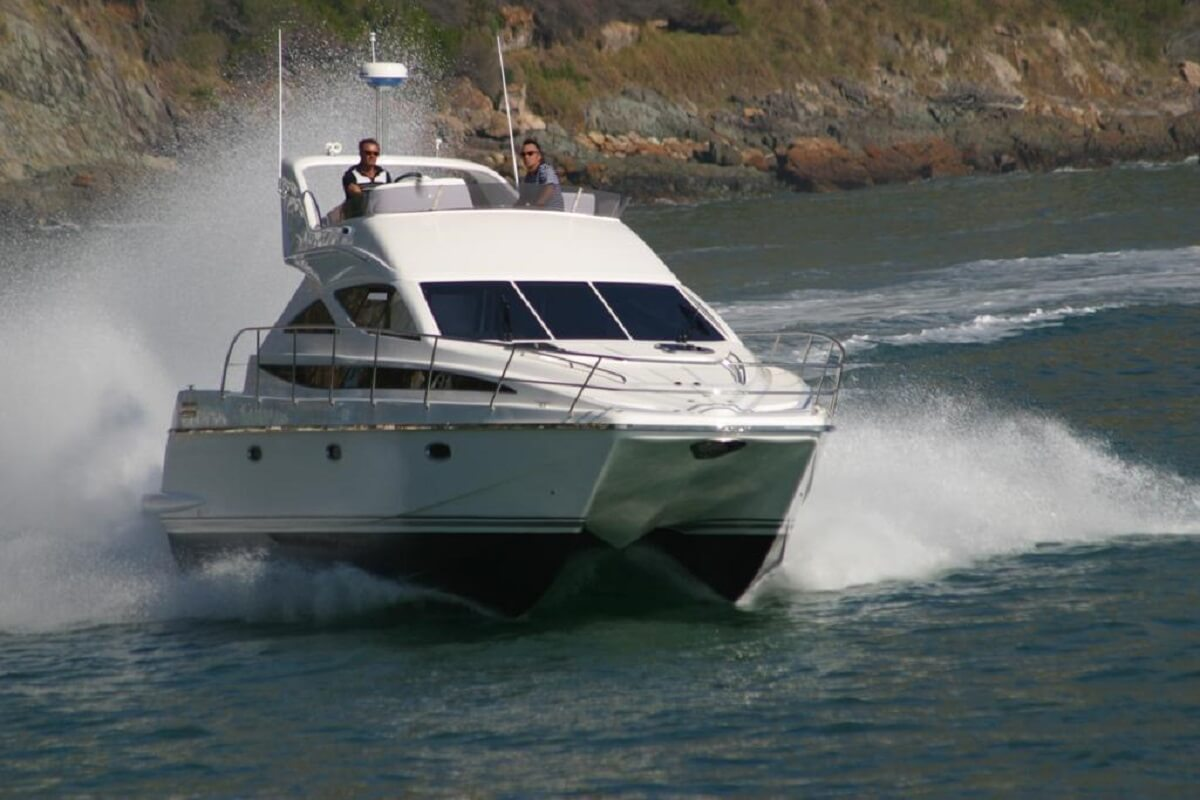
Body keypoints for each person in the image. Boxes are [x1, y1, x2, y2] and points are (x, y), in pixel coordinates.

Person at [342, 138, 391, 218]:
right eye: (368, 153)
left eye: (375, 154)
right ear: (361, 153)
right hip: (359, 219)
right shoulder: (351, 175)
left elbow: (389, 196)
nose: (372, 156)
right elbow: (355, 193)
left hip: (381, 218)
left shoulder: (385, 174)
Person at [518, 138, 563, 211]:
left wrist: (537, 206)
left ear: (539, 156)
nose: (526, 157)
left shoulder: (545, 169)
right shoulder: (528, 177)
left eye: (530, 153)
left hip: (553, 215)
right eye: (523, 154)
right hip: (539, 216)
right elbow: (523, 199)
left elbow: (549, 188)